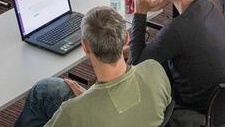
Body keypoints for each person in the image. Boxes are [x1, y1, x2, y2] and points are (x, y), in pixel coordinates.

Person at [15, 7, 172, 127]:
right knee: (46, 88)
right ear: (126, 40)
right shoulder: (154, 70)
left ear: (85, 47)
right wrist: (89, 97)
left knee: (41, 92)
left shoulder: (72, 113)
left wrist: (86, 103)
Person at [129, 0, 225, 120]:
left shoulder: (177, 29)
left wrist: (140, 12)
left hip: (200, 110)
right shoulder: (207, 5)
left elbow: (137, 64)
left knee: (137, 82)